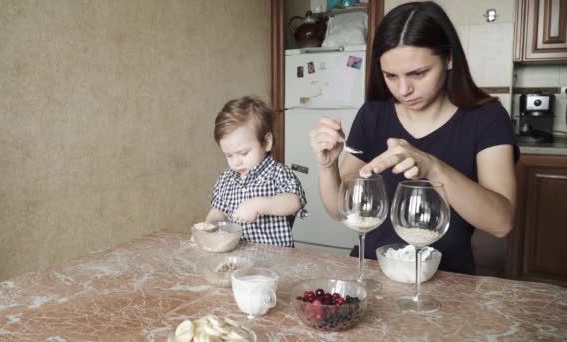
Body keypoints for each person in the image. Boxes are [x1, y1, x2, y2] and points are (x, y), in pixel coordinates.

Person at [309, 1, 519, 274]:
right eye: (390, 76)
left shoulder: (487, 118)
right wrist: (327, 166)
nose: (404, 89)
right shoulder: (374, 114)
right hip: (373, 269)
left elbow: (501, 223)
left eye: (418, 73)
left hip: (449, 278)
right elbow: (340, 211)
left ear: (449, 58)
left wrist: (432, 167)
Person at [206, 96, 307, 247]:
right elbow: (218, 212)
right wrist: (209, 226)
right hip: (237, 256)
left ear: (266, 142)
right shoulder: (226, 180)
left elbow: (294, 201)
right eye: (229, 155)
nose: (236, 161)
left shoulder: (278, 173)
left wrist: (258, 205)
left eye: (244, 153)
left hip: (275, 259)